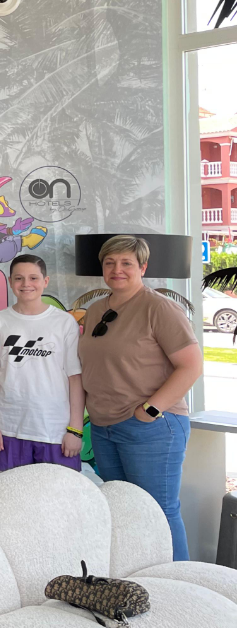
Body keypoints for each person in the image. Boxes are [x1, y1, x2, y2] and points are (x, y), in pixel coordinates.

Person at [78, 235, 201, 561]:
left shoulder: (159, 308)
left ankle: (178, 586)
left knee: (158, 512)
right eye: (110, 263)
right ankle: (139, 580)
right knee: (124, 512)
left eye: (126, 263)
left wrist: (149, 409)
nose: (117, 269)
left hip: (150, 428)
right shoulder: (95, 311)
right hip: (104, 428)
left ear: (142, 267)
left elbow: (191, 365)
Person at [0, 255, 85, 472]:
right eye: (19, 278)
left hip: (55, 430)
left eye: (33, 278)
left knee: (58, 501)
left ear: (45, 281)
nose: (26, 284)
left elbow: (75, 379)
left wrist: (75, 430)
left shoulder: (64, 322)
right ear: (10, 282)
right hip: (9, 429)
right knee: (15, 501)